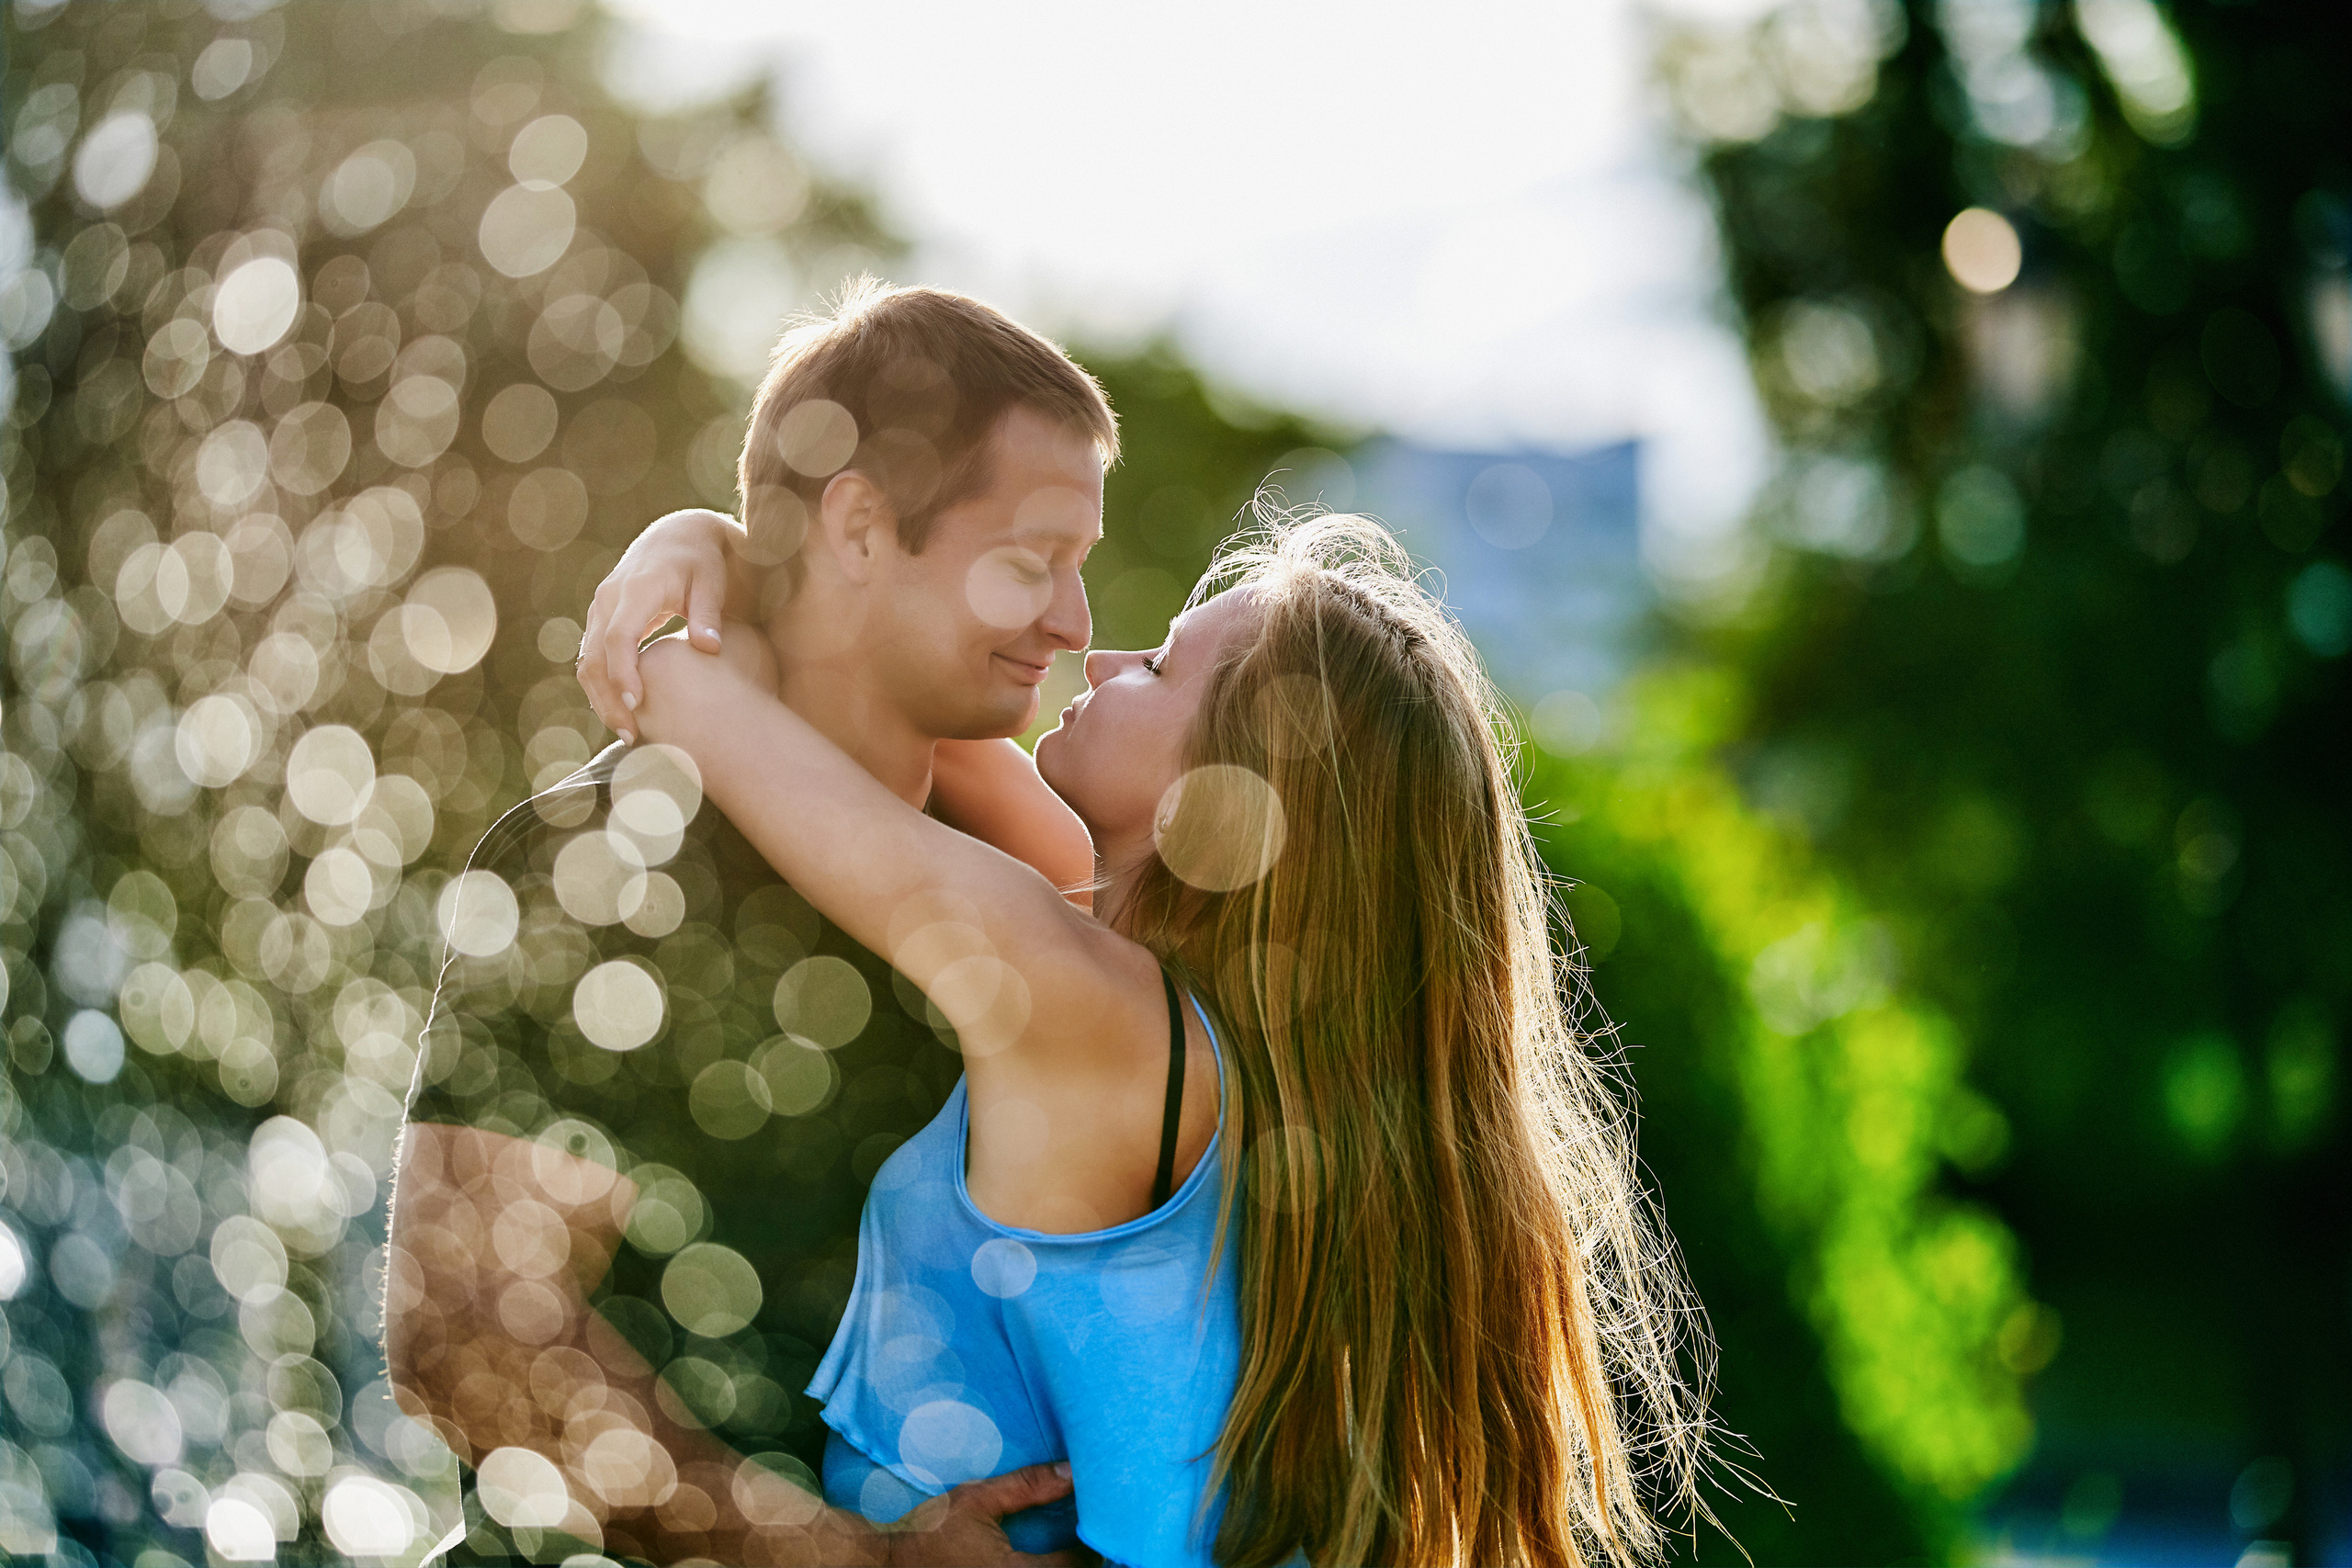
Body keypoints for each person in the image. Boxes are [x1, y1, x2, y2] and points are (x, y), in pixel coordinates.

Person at [587, 504, 1720, 1566]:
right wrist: (723, 541)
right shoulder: (1194, 1019)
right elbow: (892, 688)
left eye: (1161, 667)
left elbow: (709, 712)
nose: (1100, 660)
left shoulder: (1088, 1006)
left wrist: (672, 578)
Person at [385, 280, 1124, 1566]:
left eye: (1078, 568)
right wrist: (851, 1557)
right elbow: (467, 1340)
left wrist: (717, 554)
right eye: (1028, 563)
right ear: (857, 523)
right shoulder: (610, 858)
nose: (1073, 624)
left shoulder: (1001, 860)